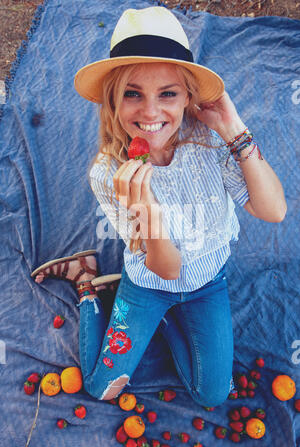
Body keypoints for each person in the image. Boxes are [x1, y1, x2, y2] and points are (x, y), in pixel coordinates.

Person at [31, 7, 286, 406]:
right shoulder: (108, 172)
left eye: (167, 93)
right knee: (101, 388)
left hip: (207, 285)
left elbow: (274, 211)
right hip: (149, 284)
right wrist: (146, 207)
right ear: (113, 102)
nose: (150, 112)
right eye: (132, 93)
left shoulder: (208, 141)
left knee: (213, 396)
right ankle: (86, 281)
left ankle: (166, 322)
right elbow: (166, 269)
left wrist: (233, 129)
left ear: (188, 98)